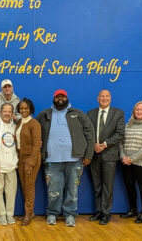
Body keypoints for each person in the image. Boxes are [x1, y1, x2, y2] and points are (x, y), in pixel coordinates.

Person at [37, 89, 95, 227]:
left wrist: (88, 154)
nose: (60, 99)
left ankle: (70, 214)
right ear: (54, 98)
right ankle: (52, 213)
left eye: (62, 96)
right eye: (58, 97)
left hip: (74, 160)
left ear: (67, 98)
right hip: (51, 160)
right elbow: (34, 130)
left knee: (72, 189)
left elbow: (90, 133)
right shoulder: (45, 115)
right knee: (53, 190)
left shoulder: (78, 114)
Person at [87, 90, 125, 225]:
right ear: (98, 99)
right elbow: (88, 132)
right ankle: (98, 211)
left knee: (107, 186)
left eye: (107, 96)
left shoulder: (118, 113)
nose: (104, 98)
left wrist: (104, 144)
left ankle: (106, 213)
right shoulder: (90, 113)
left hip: (110, 155)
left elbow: (120, 133)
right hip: (94, 155)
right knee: (97, 186)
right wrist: (94, 145)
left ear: (111, 98)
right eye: (102, 96)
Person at [119, 101, 142, 223]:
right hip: (126, 162)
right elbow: (120, 142)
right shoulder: (128, 125)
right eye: (137, 109)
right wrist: (123, 156)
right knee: (129, 186)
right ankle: (133, 209)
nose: (139, 112)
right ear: (134, 111)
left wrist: (132, 158)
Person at [0, 103, 18, 226]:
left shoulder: (15, 127)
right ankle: (1, 214)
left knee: (11, 191)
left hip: (12, 164)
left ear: (12, 114)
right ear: (0, 112)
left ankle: (9, 214)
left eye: (9, 111)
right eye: (4, 111)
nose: (7, 113)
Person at [15, 98, 41, 226]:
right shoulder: (19, 122)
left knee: (29, 186)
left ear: (30, 109)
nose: (23, 110)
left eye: (26, 108)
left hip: (31, 159)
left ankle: (28, 214)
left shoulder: (34, 124)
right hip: (20, 159)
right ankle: (30, 212)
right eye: (21, 108)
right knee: (24, 186)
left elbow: (37, 145)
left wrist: (30, 163)